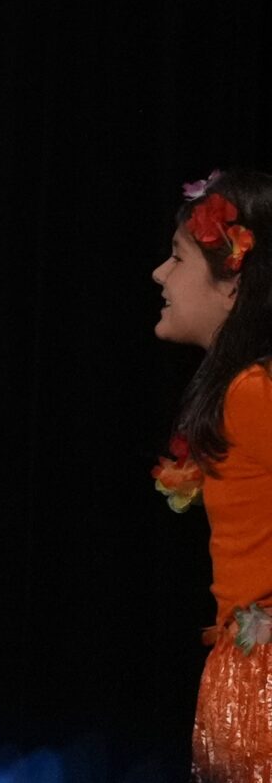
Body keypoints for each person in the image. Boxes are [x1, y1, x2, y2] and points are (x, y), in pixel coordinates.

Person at [149, 168, 272, 780]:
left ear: (233, 286)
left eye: (176, 258)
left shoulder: (253, 392)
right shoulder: (239, 390)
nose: (160, 274)